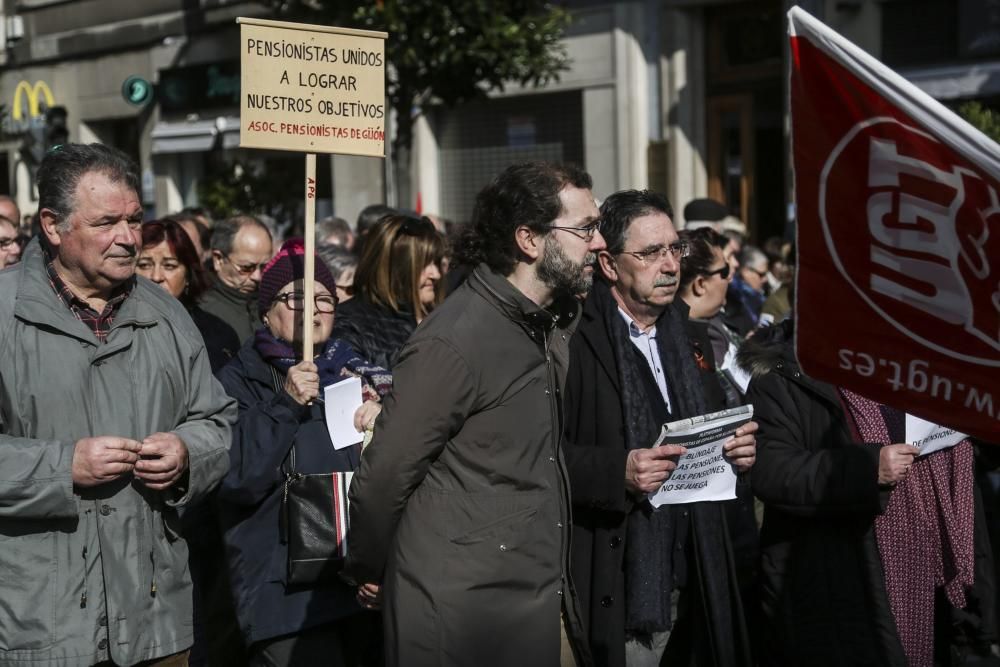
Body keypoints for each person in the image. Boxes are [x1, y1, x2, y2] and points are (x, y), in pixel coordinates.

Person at [343, 161, 607, 667]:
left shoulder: (549, 324)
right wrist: (371, 566)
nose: (598, 243)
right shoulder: (455, 339)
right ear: (529, 240)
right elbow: (387, 472)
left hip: (533, 596)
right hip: (462, 617)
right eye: (585, 229)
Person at [0, 142, 236, 665]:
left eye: (134, 219)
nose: (129, 238)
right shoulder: (4, 314)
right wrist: (62, 467)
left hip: (155, 622)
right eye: (107, 222)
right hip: (39, 626)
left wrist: (187, 453)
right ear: (53, 226)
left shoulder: (167, 313)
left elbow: (216, 420)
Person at [561, 189, 757, 667]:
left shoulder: (690, 336)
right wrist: (617, 472)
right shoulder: (573, 342)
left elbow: (712, 433)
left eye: (674, 249)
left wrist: (741, 449)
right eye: (650, 253)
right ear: (609, 265)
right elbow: (539, 453)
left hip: (701, 568)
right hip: (627, 578)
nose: (669, 265)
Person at [741, 319, 998, 667]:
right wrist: (867, 470)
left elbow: (978, 453)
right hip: (849, 589)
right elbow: (771, 471)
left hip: (946, 577)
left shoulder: (926, 360)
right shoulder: (784, 374)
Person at [216, 239, 390, 667]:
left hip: (357, 590)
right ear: (265, 310)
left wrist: (386, 422)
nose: (312, 309)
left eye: (325, 299)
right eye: (295, 297)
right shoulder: (238, 379)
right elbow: (236, 476)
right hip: (286, 601)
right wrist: (287, 403)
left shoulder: (360, 372)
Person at [330, 215, 445, 370]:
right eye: (424, 264)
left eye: (437, 262)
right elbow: (351, 385)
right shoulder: (348, 324)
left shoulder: (442, 315)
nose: (436, 274)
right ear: (394, 266)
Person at [137, 219, 241, 372]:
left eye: (169, 266)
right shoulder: (114, 330)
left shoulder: (218, 335)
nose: (156, 276)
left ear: (188, 274)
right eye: (144, 265)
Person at [203, 215, 274, 343]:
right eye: (246, 267)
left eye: (264, 267)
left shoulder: (273, 302)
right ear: (218, 259)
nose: (257, 277)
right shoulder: (201, 312)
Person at [725, 244, 769, 336]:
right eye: (761, 274)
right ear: (746, 272)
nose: (765, 279)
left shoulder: (757, 297)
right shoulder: (732, 297)